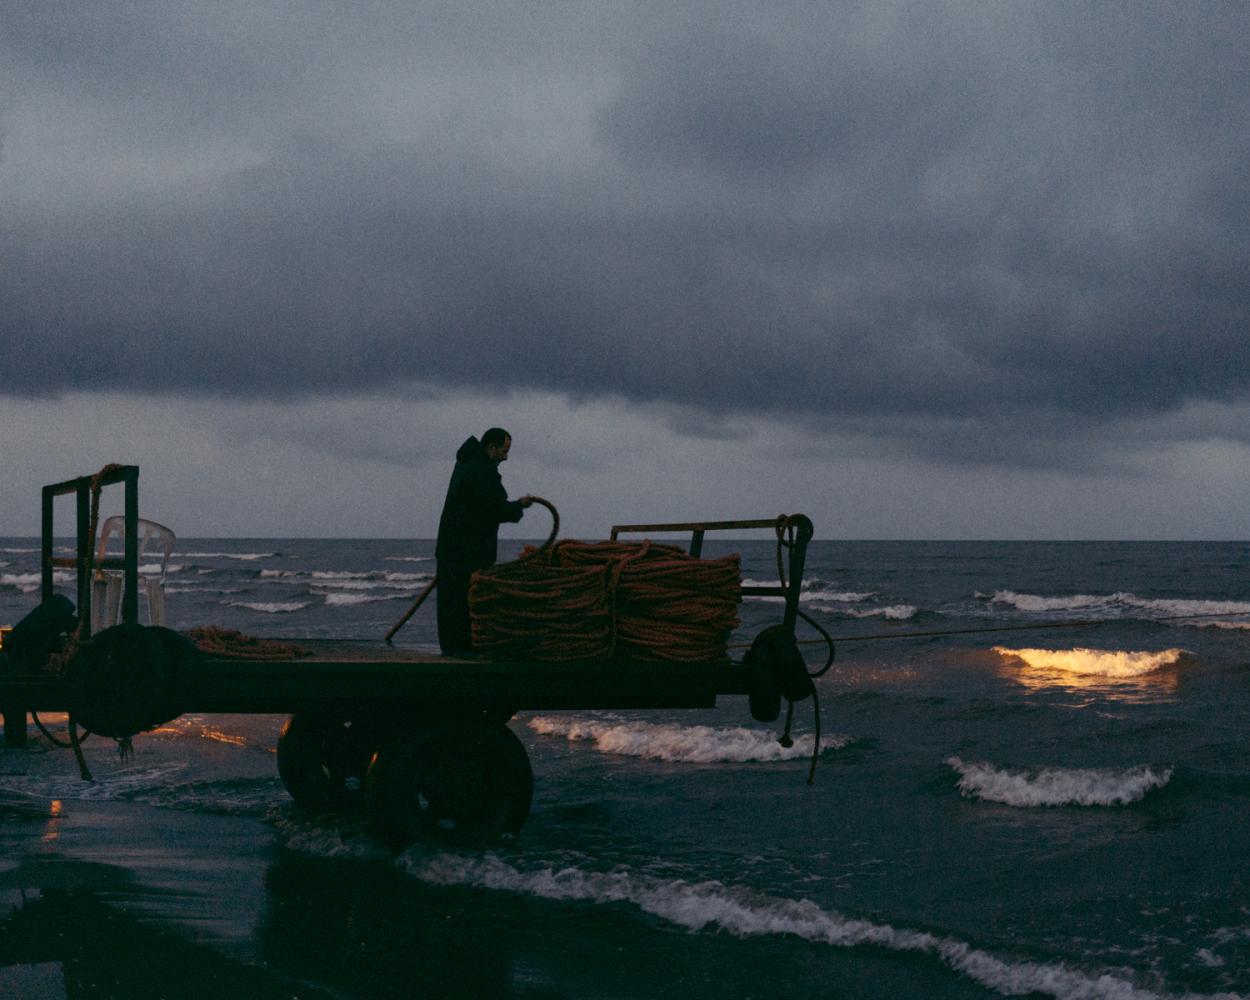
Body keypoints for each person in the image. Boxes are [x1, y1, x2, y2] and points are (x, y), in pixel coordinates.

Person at [434, 428, 533, 655]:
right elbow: (495, 508)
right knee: (466, 602)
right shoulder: (482, 471)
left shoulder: (466, 466)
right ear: (491, 448)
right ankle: (463, 650)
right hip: (468, 550)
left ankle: (454, 649)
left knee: (451, 603)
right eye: (504, 451)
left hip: (452, 547)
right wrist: (519, 506)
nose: (506, 457)